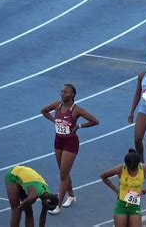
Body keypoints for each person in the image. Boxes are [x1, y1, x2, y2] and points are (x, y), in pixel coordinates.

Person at [41, 83, 99, 214]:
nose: (62, 93)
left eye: (65, 92)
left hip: (70, 143)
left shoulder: (76, 110)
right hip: (58, 141)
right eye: (61, 91)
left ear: (72, 94)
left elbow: (95, 121)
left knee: (63, 174)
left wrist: (79, 126)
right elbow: (43, 111)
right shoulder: (57, 105)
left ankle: (58, 205)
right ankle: (71, 195)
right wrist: (54, 120)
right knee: (63, 171)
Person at [100, 148, 146, 227]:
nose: (131, 171)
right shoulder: (121, 169)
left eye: (133, 170)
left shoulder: (144, 169)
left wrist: (144, 191)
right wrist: (116, 190)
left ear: (138, 165)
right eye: (129, 169)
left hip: (134, 206)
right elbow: (103, 176)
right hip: (121, 205)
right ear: (126, 165)